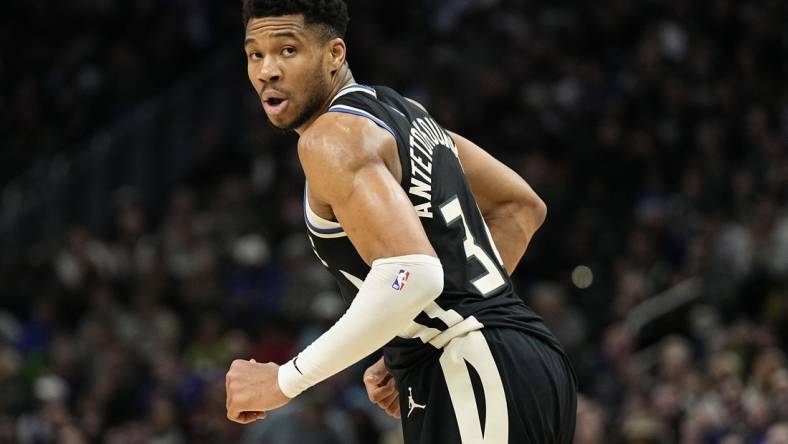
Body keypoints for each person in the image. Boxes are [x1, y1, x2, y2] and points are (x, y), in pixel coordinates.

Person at [224, 1, 577, 442]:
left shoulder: (330, 137)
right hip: (519, 360)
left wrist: (284, 380)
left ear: (335, 54)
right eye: (255, 54)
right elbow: (520, 207)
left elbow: (412, 273)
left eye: (287, 51)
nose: (266, 72)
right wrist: (416, 338)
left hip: (473, 366)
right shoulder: (405, 113)